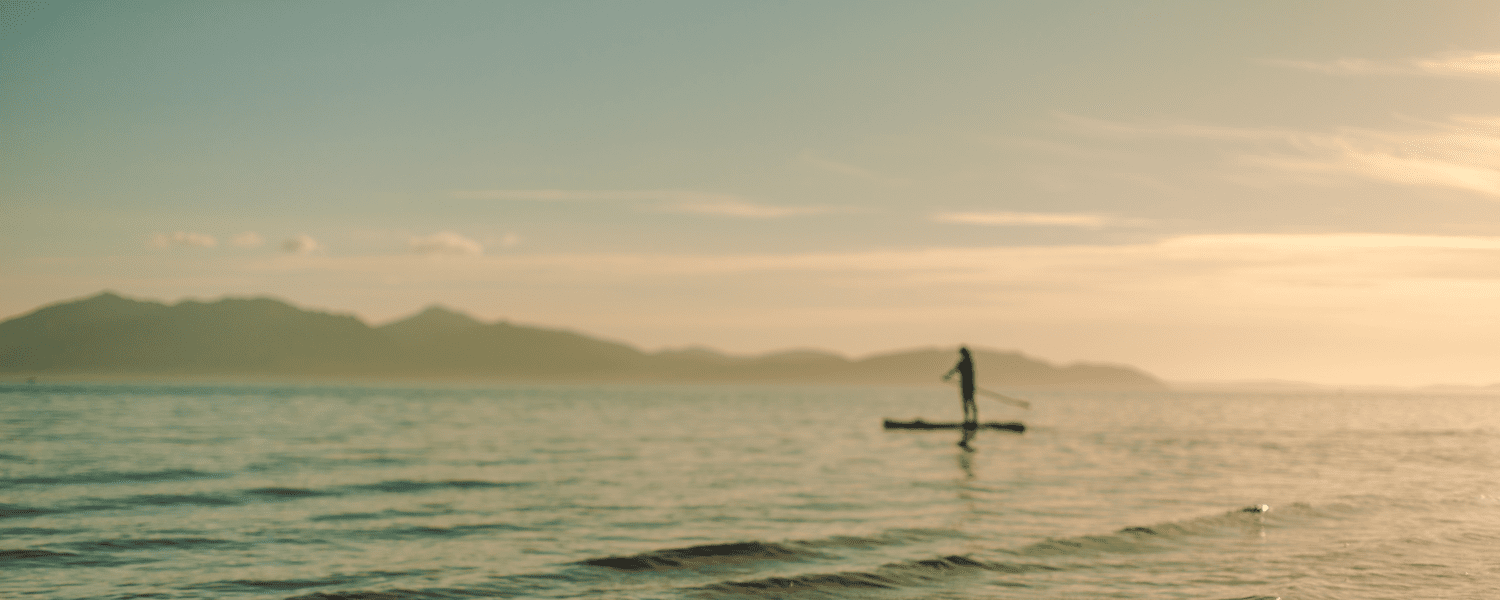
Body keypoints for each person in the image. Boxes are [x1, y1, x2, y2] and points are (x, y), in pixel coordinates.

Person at [942, 346, 977, 449]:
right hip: (967, 386)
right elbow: (955, 370)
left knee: (968, 403)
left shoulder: (965, 362)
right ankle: (970, 419)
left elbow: (954, 370)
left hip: (967, 386)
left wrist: (947, 376)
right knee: (969, 402)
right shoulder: (968, 362)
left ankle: (971, 420)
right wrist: (947, 376)